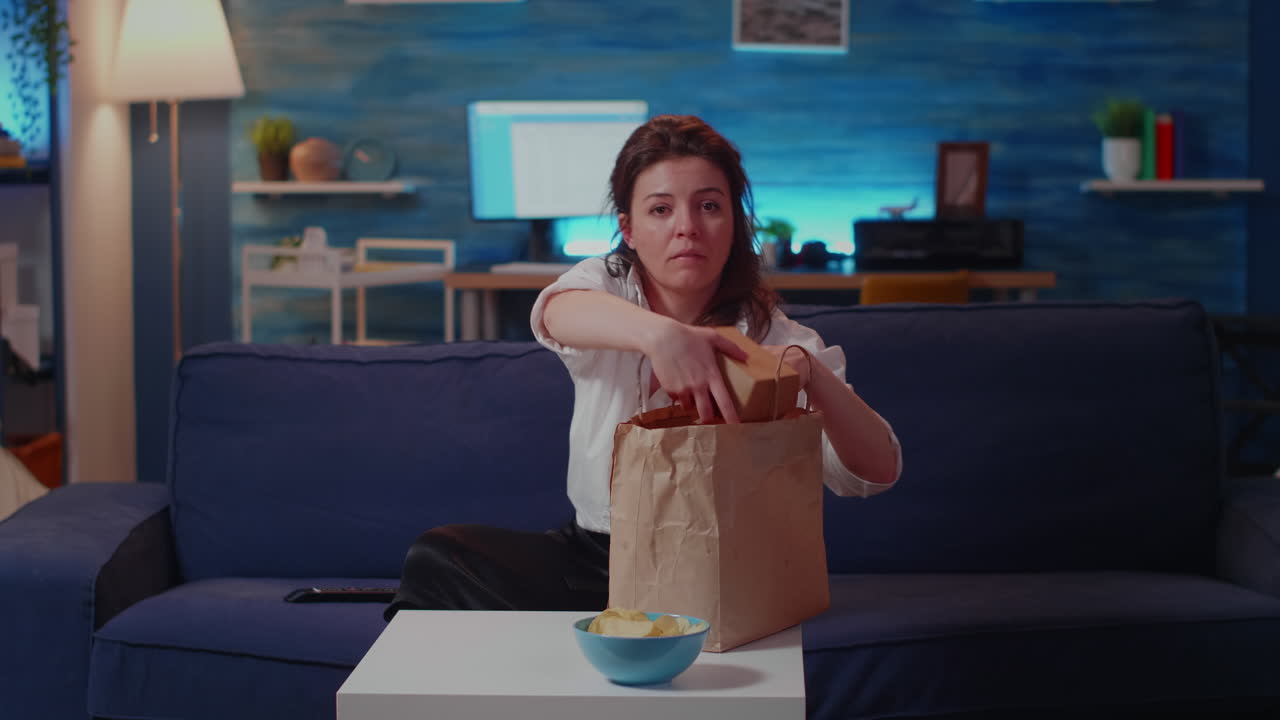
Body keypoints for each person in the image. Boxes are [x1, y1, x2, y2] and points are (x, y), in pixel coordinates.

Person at [384, 114, 901, 620]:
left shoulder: (779, 340)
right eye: (661, 209)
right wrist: (660, 336)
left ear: (734, 224)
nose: (687, 228)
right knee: (439, 556)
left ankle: (619, 633)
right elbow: (555, 312)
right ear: (628, 229)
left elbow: (875, 474)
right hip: (597, 558)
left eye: (709, 206)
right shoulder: (606, 287)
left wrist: (810, 373)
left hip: (720, 566)